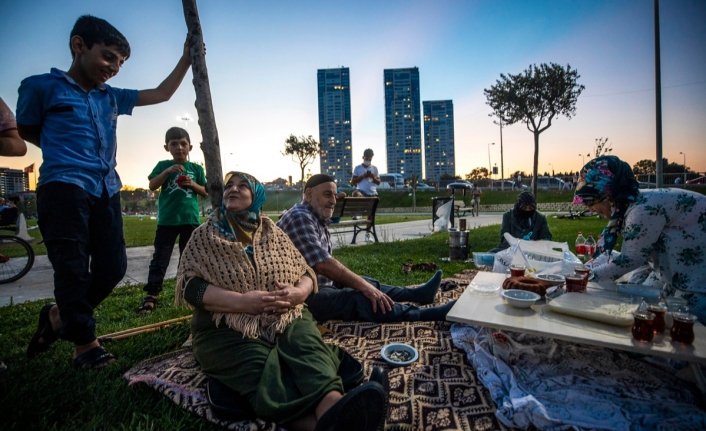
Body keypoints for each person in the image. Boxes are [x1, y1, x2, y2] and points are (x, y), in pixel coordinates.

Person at [21, 15, 196, 369]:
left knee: (113, 267)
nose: (114, 67)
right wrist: (63, 152)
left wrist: (187, 59)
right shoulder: (41, 87)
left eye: (120, 62)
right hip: (62, 187)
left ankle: (58, 317)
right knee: (71, 268)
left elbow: (161, 94)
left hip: (105, 189)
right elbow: (28, 128)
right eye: (108, 57)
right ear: (79, 45)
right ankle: (85, 346)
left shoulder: (112, 97)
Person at [176, 171, 386, 431]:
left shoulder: (272, 233)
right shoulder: (205, 235)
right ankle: (335, 422)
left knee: (307, 346)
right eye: (230, 185)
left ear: (256, 196)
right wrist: (244, 303)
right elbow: (189, 286)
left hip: (285, 314)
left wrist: (299, 293)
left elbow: (306, 272)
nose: (233, 189)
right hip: (225, 325)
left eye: (243, 186)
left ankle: (332, 405)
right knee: (261, 368)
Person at [277, 174, 455, 323]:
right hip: (302, 297)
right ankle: (423, 315)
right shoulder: (300, 217)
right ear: (309, 194)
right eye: (327, 194)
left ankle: (417, 294)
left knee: (367, 283)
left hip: (318, 284)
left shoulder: (314, 216)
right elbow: (323, 264)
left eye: (334, 195)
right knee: (358, 297)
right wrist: (365, 289)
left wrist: (365, 285)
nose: (333, 200)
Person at [573, 155, 706, 322]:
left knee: (688, 331)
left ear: (608, 195)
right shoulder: (631, 205)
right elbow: (643, 256)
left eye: (591, 202)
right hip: (673, 278)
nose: (591, 209)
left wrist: (585, 276)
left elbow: (631, 259)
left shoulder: (643, 210)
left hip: (696, 283)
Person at [135, 127, 207, 314]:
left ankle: (188, 291)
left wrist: (192, 184)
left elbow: (205, 191)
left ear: (190, 147)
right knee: (160, 258)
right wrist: (167, 171)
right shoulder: (163, 165)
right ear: (167, 147)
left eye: (183, 144)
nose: (179, 147)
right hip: (167, 220)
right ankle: (151, 295)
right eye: (174, 144)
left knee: (190, 258)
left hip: (190, 219)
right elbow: (152, 184)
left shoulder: (196, 168)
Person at [350, 149, 379, 240]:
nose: (368, 161)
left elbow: (378, 182)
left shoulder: (374, 168)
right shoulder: (358, 168)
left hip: (372, 193)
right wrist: (362, 176)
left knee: (370, 215)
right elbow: (353, 181)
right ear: (363, 157)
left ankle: (367, 234)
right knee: (355, 193)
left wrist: (373, 177)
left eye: (370, 159)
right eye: (367, 159)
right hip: (362, 191)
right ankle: (358, 213)